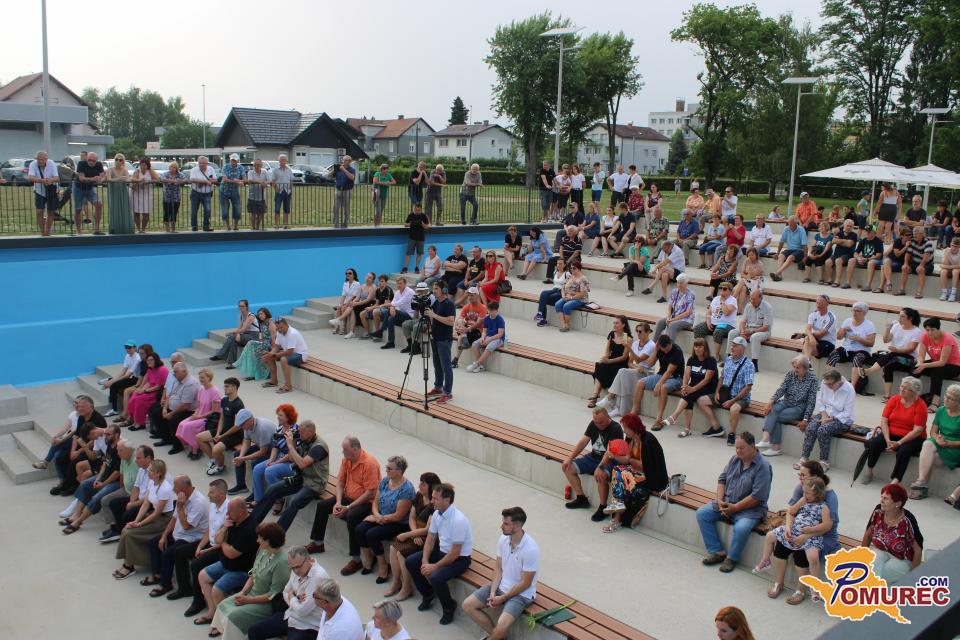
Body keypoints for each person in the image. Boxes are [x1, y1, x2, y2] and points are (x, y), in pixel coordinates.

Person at [696, 431, 772, 573]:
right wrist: (720, 501)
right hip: (728, 503)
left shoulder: (763, 466)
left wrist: (735, 508)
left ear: (753, 446)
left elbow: (757, 497)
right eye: (736, 448)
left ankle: (732, 558)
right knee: (702, 513)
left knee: (742, 528)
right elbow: (722, 480)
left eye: (741, 448)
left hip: (750, 510)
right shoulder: (735, 459)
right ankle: (717, 551)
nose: (738, 451)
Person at [462, 506, 539, 639]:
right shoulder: (503, 539)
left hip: (521, 594)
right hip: (500, 586)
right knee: (467, 605)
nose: (501, 526)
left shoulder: (531, 549)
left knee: (502, 625)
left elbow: (526, 583)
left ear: (517, 526)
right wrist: (493, 592)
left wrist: (503, 598)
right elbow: (498, 568)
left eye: (506, 524)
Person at [754, 476, 832, 604]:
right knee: (770, 537)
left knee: (812, 557)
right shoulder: (803, 500)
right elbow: (791, 512)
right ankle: (766, 562)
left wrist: (810, 530)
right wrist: (788, 528)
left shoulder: (823, 507)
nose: (804, 495)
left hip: (810, 536)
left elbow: (827, 525)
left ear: (817, 494)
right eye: (804, 491)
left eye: (808, 493)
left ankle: (813, 587)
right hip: (794, 531)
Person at [405, 482, 473, 625]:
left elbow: (454, 553)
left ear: (447, 500)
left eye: (435, 498)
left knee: (436, 577)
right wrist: (425, 560)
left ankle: (449, 607)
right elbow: (430, 539)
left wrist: (434, 566)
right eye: (432, 497)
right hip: (442, 552)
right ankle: (428, 594)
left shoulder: (459, 520)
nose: (431, 501)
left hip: (459, 559)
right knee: (411, 561)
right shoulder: (437, 514)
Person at [208, 521, 290, 639]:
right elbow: (253, 575)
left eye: (260, 538)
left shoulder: (282, 562)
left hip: (265, 604)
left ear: (268, 541)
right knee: (222, 605)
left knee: (233, 616)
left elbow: (273, 594)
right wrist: (242, 592)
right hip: (250, 594)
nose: (257, 540)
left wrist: (248, 600)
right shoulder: (263, 550)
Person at [306, 436, 380, 564]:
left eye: (345, 449)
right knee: (323, 506)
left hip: (366, 502)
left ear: (355, 449)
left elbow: (370, 493)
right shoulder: (346, 460)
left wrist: (348, 507)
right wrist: (338, 502)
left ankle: (356, 559)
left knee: (352, 517)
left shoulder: (370, 464)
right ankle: (318, 543)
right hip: (347, 497)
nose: (343, 452)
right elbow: (340, 483)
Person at [193, 497, 261, 626]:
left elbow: (231, 554)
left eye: (230, 511)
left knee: (217, 590)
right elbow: (217, 539)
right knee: (202, 575)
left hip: (241, 571)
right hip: (225, 564)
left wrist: (223, 542)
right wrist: (224, 527)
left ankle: (223, 622)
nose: (227, 514)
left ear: (240, 511)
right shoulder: (232, 521)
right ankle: (212, 612)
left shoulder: (250, 529)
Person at [142, 474, 210, 597]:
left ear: (183, 488)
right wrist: (164, 536)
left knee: (168, 554)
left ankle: (165, 585)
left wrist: (180, 507)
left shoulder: (199, 502)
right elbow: (174, 519)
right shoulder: (182, 498)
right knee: (153, 542)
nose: (173, 489)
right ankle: (157, 575)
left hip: (190, 538)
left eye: (175, 487)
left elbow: (186, 526)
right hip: (178, 534)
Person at [245, 547, 330, 640]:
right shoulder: (296, 569)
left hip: (308, 626)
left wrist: (292, 596)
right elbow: (285, 591)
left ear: (308, 560)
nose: (295, 571)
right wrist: (296, 599)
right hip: (289, 616)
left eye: (298, 567)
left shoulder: (318, 577)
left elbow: (302, 611)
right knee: (253, 631)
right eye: (292, 568)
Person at [166, 479, 228, 602]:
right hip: (209, 543)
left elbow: (224, 541)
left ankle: (198, 601)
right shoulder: (213, 505)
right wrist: (200, 546)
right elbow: (210, 529)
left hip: (219, 548)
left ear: (221, 494)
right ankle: (184, 589)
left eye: (211, 492)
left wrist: (205, 550)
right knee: (179, 552)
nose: (208, 495)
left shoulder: (228, 510)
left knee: (196, 564)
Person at [355, 455, 415, 581]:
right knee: (360, 529)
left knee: (372, 534)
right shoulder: (385, 481)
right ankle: (369, 557)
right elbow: (375, 502)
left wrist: (378, 519)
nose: (386, 470)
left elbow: (398, 516)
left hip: (398, 523)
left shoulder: (407, 489)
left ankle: (383, 564)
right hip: (381, 517)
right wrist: (377, 516)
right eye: (386, 467)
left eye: (389, 468)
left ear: (399, 471)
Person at [112, 459, 175, 580]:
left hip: (163, 520)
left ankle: (128, 566)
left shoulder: (165, 488)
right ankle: (128, 564)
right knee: (126, 529)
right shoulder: (152, 482)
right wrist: (136, 521)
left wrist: (140, 524)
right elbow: (146, 504)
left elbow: (157, 513)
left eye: (151, 470)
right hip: (153, 516)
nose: (148, 472)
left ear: (158, 473)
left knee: (129, 533)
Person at [383, 471, 440, 601]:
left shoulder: (434, 503)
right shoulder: (419, 496)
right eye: (420, 482)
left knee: (401, 554)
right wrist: (414, 534)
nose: (419, 485)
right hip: (415, 533)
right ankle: (396, 581)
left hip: (427, 538)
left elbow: (428, 530)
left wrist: (409, 534)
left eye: (423, 484)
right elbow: (412, 517)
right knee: (393, 548)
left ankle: (407, 587)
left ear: (431, 487)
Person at [861, 377, 928, 485]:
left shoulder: (921, 406)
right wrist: (887, 439)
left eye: (906, 388)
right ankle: (869, 470)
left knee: (903, 451)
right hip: (891, 433)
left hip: (913, 437)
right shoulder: (894, 399)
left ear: (914, 392)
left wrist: (899, 443)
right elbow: (884, 421)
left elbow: (918, 430)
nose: (901, 389)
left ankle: (896, 480)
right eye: (901, 386)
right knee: (875, 443)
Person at [561, 407, 624, 520]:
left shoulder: (616, 428)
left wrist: (600, 467)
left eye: (601, 422)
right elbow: (583, 441)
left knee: (600, 475)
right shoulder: (593, 424)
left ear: (607, 417)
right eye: (596, 422)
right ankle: (581, 499)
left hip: (610, 460)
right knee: (567, 468)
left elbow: (610, 452)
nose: (598, 425)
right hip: (593, 457)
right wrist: (570, 458)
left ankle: (602, 507)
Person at [59, 426, 123, 533]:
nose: (105, 436)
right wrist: (98, 478)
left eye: (108, 434)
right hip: (105, 476)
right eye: (105, 433)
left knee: (98, 496)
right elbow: (105, 463)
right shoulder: (109, 444)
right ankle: (76, 514)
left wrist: (103, 484)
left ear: (116, 435)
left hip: (115, 481)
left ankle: (78, 521)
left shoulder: (120, 448)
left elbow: (117, 472)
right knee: (85, 484)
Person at [855, 308, 923, 401]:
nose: (900, 318)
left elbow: (911, 348)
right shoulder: (896, 326)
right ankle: (887, 395)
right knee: (888, 366)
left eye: (902, 316)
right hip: (894, 356)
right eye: (899, 316)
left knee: (892, 355)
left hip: (909, 359)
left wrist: (897, 350)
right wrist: (888, 328)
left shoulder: (916, 331)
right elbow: (885, 340)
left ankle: (869, 371)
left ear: (910, 318)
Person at [657, 337, 719, 438]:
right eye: (696, 346)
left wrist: (692, 389)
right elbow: (686, 375)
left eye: (700, 346)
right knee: (687, 394)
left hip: (709, 387)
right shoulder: (691, 359)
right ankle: (686, 429)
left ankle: (674, 417)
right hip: (694, 387)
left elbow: (707, 380)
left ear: (705, 348)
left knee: (689, 394)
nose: (697, 349)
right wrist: (684, 386)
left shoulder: (711, 360)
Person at [758, 356, 818, 456]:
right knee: (772, 409)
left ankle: (774, 446)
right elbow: (782, 389)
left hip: (799, 408)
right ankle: (766, 439)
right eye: (794, 367)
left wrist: (805, 419)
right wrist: (770, 402)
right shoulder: (791, 374)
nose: (795, 370)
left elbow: (811, 401)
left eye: (798, 368)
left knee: (776, 416)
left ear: (805, 368)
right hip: (786, 402)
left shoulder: (813, 379)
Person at [796, 369, 855, 470]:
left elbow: (847, 412)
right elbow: (820, 400)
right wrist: (823, 415)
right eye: (826, 384)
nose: (828, 386)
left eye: (830, 384)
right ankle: (804, 458)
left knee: (823, 430)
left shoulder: (849, 389)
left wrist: (830, 419)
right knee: (811, 428)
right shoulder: (825, 382)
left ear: (838, 381)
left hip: (842, 419)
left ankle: (824, 462)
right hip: (826, 413)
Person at [862, 483, 923, 582]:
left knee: (884, 572)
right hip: (881, 551)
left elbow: (918, 550)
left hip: (902, 559)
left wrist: (912, 576)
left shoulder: (907, 520)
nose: (881, 501)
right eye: (881, 497)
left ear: (898, 503)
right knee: (871, 563)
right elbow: (868, 535)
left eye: (886, 498)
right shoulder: (878, 511)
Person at [909, 383, 960, 500]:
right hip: (940, 442)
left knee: (929, 457)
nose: (946, 399)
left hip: (954, 449)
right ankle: (922, 481)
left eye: (951, 398)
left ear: (958, 402)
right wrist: (937, 438)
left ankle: (922, 486)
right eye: (946, 396)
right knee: (927, 444)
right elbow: (933, 431)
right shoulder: (941, 410)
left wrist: (949, 443)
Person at [599, 322, 656, 418]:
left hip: (646, 373)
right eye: (637, 331)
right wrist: (636, 367)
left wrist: (629, 348)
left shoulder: (651, 345)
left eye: (640, 331)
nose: (638, 333)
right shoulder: (635, 343)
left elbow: (638, 360)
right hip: (636, 370)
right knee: (623, 376)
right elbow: (629, 363)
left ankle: (610, 398)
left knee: (622, 372)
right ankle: (618, 408)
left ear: (647, 332)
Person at [631, 334, 685, 427]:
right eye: (663, 349)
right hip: (661, 375)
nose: (665, 351)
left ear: (670, 343)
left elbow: (669, 371)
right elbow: (649, 364)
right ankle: (634, 412)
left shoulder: (677, 351)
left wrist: (658, 384)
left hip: (676, 378)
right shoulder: (659, 349)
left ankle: (659, 419)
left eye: (667, 349)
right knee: (640, 383)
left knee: (663, 388)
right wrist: (655, 350)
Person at [711, 337, 756, 444]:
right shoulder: (728, 359)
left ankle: (731, 434)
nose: (732, 348)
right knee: (701, 400)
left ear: (742, 349)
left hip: (740, 398)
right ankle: (716, 427)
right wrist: (717, 392)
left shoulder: (749, 365)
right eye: (732, 345)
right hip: (725, 394)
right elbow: (722, 378)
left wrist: (732, 401)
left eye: (735, 346)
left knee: (734, 409)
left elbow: (748, 387)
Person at [226, 410, 277, 496]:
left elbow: (262, 452)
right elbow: (246, 442)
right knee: (237, 454)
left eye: (242, 424)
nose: (241, 427)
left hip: (272, 450)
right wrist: (240, 457)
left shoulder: (262, 428)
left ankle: (255, 492)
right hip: (261, 446)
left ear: (250, 420)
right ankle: (241, 485)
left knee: (255, 463)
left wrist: (243, 459)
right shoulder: (247, 426)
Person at [150, 363, 199, 450]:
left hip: (187, 411)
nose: (174, 374)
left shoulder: (191, 383)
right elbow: (169, 395)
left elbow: (185, 405)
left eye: (176, 372)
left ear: (184, 371)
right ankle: (166, 438)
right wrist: (165, 408)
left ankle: (178, 446)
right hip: (174, 407)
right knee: (156, 412)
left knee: (174, 420)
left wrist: (171, 413)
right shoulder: (178, 380)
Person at [914, 317, 960, 411]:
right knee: (914, 369)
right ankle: (911, 394)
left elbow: (942, 362)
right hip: (936, 363)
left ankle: (935, 402)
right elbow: (921, 355)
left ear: (938, 329)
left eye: (932, 330)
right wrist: (919, 364)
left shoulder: (947, 339)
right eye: (927, 330)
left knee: (937, 372)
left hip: (954, 366)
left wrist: (924, 365)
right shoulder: (925, 336)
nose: (930, 333)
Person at [174, 368, 222, 459]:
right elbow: (199, 406)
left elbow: (214, 411)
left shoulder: (214, 391)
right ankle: (193, 446)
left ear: (209, 378)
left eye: (203, 377)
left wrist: (199, 417)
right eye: (200, 377)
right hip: (199, 415)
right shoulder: (201, 389)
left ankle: (195, 449)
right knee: (181, 424)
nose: (200, 379)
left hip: (207, 418)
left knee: (188, 426)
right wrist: (195, 415)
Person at [587, 316, 632, 407]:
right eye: (614, 323)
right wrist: (605, 358)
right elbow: (607, 351)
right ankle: (595, 395)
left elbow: (624, 357)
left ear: (623, 325)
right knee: (600, 365)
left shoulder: (626, 337)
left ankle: (603, 398)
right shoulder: (612, 334)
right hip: (611, 359)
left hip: (621, 363)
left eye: (617, 323)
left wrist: (609, 361)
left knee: (611, 369)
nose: (614, 325)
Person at [727, 289, 773, 372]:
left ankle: (754, 363)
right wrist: (742, 332)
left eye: (754, 299)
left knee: (755, 337)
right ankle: (729, 358)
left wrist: (751, 332)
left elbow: (766, 327)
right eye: (751, 298)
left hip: (763, 331)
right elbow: (742, 322)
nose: (752, 301)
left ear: (760, 298)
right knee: (732, 332)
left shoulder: (767, 307)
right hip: (748, 329)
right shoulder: (748, 306)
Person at [828, 301, 876, 374]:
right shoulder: (848, 321)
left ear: (864, 313)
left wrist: (859, 339)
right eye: (853, 310)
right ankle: (829, 378)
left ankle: (854, 381)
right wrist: (843, 330)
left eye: (857, 311)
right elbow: (838, 337)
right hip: (846, 350)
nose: (854, 313)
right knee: (833, 354)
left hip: (862, 351)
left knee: (857, 359)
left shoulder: (869, 325)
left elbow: (871, 343)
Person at [262, 317, 308, 394]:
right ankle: (274, 380)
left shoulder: (292, 333)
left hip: (300, 355)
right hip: (290, 353)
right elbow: (276, 347)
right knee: (269, 356)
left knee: (283, 359)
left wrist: (274, 355)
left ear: (286, 325)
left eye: (281, 327)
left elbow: (289, 352)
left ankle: (288, 386)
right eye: (277, 328)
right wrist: (270, 354)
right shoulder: (279, 332)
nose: (279, 330)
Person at [694, 282, 738, 360]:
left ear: (730, 291)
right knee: (698, 328)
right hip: (713, 323)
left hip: (727, 325)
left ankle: (716, 355)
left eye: (724, 289)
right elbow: (708, 311)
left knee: (718, 331)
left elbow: (726, 312)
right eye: (720, 288)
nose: (722, 290)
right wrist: (708, 321)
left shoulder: (732, 300)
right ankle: (702, 353)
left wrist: (722, 302)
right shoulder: (715, 298)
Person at [212, 299, 260, 366]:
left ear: (246, 307)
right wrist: (237, 334)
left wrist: (232, 332)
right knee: (233, 341)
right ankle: (232, 364)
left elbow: (243, 329)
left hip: (253, 336)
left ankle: (220, 355)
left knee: (232, 336)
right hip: (245, 335)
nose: (240, 308)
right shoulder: (240, 315)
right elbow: (239, 328)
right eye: (239, 306)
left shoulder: (251, 316)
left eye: (242, 306)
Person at [891, 226, 934, 298]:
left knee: (920, 269)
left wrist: (921, 265)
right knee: (904, 268)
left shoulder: (928, 242)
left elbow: (926, 256)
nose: (914, 235)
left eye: (916, 233)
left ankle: (919, 292)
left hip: (927, 264)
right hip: (915, 263)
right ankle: (902, 290)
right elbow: (908, 254)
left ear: (922, 234)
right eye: (914, 233)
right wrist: (906, 263)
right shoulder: (912, 241)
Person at [234, 307, 277, 381]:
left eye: (261, 314)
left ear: (266, 313)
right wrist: (260, 342)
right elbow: (262, 336)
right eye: (259, 314)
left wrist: (273, 350)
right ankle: (253, 373)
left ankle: (258, 372)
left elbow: (274, 338)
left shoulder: (270, 322)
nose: (260, 316)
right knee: (251, 345)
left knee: (254, 348)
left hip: (270, 345)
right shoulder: (262, 323)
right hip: (264, 343)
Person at [102, 340, 142, 417]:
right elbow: (123, 372)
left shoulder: (137, 359)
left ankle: (114, 410)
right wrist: (112, 380)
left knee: (114, 384)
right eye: (126, 347)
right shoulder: (127, 356)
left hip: (137, 380)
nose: (127, 349)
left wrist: (111, 382)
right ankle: (109, 379)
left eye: (129, 347)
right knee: (113, 381)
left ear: (135, 348)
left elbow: (127, 375)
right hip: (132, 377)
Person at [373, 276, 414, 350]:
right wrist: (391, 307)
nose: (398, 285)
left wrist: (384, 305)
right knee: (390, 319)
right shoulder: (398, 292)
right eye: (397, 284)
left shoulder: (410, 292)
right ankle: (391, 342)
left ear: (405, 284)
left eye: (400, 283)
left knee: (389, 311)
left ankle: (381, 330)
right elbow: (393, 303)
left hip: (409, 316)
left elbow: (399, 302)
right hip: (401, 315)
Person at [653, 273, 696, 342]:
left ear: (686, 284)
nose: (679, 285)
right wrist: (668, 317)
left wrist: (673, 320)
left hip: (687, 319)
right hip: (674, 317)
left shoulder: (690, 295)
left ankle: (670, 346)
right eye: (678, 283)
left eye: (681, 283)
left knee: (672, 325)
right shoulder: (674, 292)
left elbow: (688, 312)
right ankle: (654, 344)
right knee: (660, 322)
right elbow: (669, 306)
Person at [28, 150, 60, 236]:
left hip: (51, 191)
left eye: (42, 159)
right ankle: (43, 232)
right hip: (39, 191)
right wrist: (42, 181)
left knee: (51, 212)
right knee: (39, 211)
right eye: (38, 159)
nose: (40, 161)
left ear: (46, 159)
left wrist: (50, 180)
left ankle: (47, 232)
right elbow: (30, 177)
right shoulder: (33, 164)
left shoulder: (52, 163)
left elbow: (57, 178)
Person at [467, 301, 506, 373]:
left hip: (498, 339)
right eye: (489, 310)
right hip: (488, 337)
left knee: (489, 347)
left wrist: (489, 340)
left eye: (492, 311)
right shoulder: (486, 318)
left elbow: (500, 334)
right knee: (474, 344)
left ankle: (476, 364)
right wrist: (483, 338)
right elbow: (484, 331)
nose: (490, 312)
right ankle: (481, 366)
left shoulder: (500, 319)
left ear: (497, 310)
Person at [642, 239, 685, 304]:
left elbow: (666, 261)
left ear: (669, 246)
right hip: (668, 271)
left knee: (664, 268)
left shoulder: (677, 251)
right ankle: (664, 297)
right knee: (664, 275)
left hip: (679, 273)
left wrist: (656, 268)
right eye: (663, 250)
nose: (664, 252)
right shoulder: (664, 249)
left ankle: (651, 287)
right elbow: (659, 261)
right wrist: (658, 270)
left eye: (665, 250)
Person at [74, 151, 105, 235]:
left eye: (93, 161)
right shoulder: (81, 163)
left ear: (96, 161)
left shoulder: (99, 164)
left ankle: (96, 229)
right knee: (78, 209)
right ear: (86, 158)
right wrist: (93, 179)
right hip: (78, 188)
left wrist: (100, 180)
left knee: (99, 204)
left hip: (90, 189)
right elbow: (81, 178)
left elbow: (103, 175)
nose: (91, 162)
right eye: (89, 160)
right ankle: (78, 230)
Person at [554, 260, 590, 332]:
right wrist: (563, 296)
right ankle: (564, 325)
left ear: (579, 268)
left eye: (574, 268)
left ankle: (567, 325)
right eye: (571, 268)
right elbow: (563, 287)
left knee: (566, 306)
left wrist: (571, 298)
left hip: (580, 299)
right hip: (568, 297)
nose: (572, 269)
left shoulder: (583, 279)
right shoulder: (570, 276)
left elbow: (583, 294)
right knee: (557, 304)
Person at [846, 224, 885, 291]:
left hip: (875, 260)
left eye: (869, 231)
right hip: (864, 259)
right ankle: (848, 283)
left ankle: (868, 286)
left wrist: (867, 259)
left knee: (871, 262)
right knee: (851, 260)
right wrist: (858, 258)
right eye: (866, 231)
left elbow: (878, 255)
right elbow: (856, 253)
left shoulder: (878, 241)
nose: (867, 233)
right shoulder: (863, 241)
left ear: (874, 232)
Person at [104, 153, 134, 235]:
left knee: (124, 208)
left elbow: (128, 179)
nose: (118, 161)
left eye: (120, 160)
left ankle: (126, 228)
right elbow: (109, 179)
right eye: (116, 159)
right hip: (113, 191)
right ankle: (115, 229)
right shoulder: (110, 170)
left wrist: (131, 180)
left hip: (123, 191)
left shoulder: (125, 170)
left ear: (123, 161)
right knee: (114, 209)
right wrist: (119, 179)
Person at [770, 217, 807, 281]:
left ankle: (777, 273)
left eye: (790, 223)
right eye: (788, 223)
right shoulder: (786, 229)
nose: (789, 225)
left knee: (790, 257)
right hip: (789, 249)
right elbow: (781, 242)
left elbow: (804, 245)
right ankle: (779, 276)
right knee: (781, 256)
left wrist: (805, 256)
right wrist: (777, 253)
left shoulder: (801, 230)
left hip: (799, 250)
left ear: (795, 223)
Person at [802, 294, 837, 360]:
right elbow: (808, 328)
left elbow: (821, 334)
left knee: (807, 343)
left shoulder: (831, 318)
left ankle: (806, 360)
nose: (818, 305)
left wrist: (809, 335)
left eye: (821, 303)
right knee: (807, 338)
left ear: (827, 304)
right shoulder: (813, 314)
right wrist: (810, 336)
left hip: (828, 343)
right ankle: (807, 361)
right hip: (815, 340)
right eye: (817, 303)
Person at [825, 219, 858, 287]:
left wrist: (839, 241)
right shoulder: (839, 233)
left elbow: (849, 244)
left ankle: (837, 281)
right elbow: (834, 241)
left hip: (847, 255)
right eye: (847, 226)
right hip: (836, 254)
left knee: (838, 261)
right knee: (828, 262)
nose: (849, 227)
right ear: (844, 226)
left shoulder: (854, 235)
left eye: (851, 226)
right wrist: (845, 241)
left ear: (852, 227)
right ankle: (830, 279)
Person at [189, 155, 217, 232]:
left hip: (207, 193)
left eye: (203, 163)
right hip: (195, 193)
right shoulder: (194, 169)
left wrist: (203, 181)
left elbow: (215, 180)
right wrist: (205, 181)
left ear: (207, 163)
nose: (201, 164)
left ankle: (206, 226)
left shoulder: (211, 169)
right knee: (194, 211)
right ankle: (194, 226)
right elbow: (192, 179)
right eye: (200, 163)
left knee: (207, 210)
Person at [330, 155, 357, 229]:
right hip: (338, 190)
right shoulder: (338, 169)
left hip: (347, 191)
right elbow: (329, 175)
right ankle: (336, 225)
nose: (343, 161)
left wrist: (344, 170)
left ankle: (344, 225)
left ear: (350, 161)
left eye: (345, 160)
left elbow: (352, 178)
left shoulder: (352, 169)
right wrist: (334, 170)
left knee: (346, 209)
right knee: (335, 208)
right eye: (343, 160)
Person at [402, 204, 430, 274]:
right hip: (412, 237)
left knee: (419, 253)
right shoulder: (411, 215)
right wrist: (409, 224)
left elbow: (427, 227)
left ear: (421, 209)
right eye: (415, 210)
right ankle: (405, 267)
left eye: (418, 210)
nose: (417, 211)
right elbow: (405, 224)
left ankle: (417, 267)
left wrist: (423, 224)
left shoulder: (424, 216)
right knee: (408, 253)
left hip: (420, 238)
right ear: (414, 209)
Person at [220, 154, 244, 231]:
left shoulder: (241, 167)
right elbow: (224, 179)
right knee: (225, 210)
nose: (233, 162)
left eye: (235, 160)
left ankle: (235, 226)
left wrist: (241, 181)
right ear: (230, 160)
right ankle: (228, 226)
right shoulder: (225, 167)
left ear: (237, 161)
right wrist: (236, 181)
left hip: (235, 190)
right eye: (232, 160)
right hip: (224, 190)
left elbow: (245, 179)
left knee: (237, 209)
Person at [271, 155, 295, 229]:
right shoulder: (275, 170)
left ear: (286, 161)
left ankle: (285, 225)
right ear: (279, 161)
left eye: (284, 160)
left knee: (286, 209)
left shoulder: (289, 169)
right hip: (279, 192)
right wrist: (276, 189)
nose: (283, 161)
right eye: (281, 160)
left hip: (287, 192)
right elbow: (273, 181)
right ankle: (276, 224)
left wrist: (290, 188)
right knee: (277, 209)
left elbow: (291, 180)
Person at [246, 159, 270, 230]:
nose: (256, 166)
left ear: (261, 165)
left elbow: (269, 180)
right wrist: (260, 182)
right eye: (255, 165)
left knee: (260, 214)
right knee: (253, 214)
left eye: (258, 165)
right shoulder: (250, 172)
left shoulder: (265, 172)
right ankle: (253, 227)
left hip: (262, 197)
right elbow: (250, 180)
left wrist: (265, 183)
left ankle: (257, 227)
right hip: (252, 196)